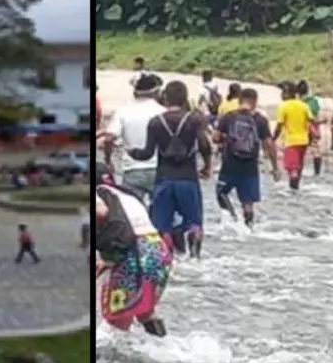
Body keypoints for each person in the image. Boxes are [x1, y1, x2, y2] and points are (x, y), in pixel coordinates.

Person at [126, 80, 212, 258]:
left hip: (163, 180)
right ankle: (195, 258)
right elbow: (204, 144)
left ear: (165, 98)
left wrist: (130, 151)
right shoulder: (194, 119)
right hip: (188, 179)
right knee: (194, 223)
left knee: (162, 226)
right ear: (185, 98)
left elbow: (147, 154)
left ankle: (166, 260)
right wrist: (207, 165)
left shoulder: (155, 122)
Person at [94, 164, 174, 337]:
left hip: (135, 255)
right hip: (158, 250)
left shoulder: (98, 192)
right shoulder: (125, 194)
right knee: (145, 312)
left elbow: (101, 212)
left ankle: (109, 359)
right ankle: (164, 348)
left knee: (116, 321)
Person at [213, 88, 278, 226]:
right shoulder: (260, 120)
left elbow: (215, 138)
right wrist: (275, 167)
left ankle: (233, 219)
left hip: (229, 165)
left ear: (239, 100)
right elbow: (269, 144)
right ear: (255, 101)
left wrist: (225, 139)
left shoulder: (229, 116)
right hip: (250, 167)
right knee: (248, 202)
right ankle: (248, 228)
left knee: (221, 193)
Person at [102, 73, 165, 201]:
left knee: (132, 213)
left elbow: (109, 138)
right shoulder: (162, 112)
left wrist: (108, 160)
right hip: (160, 169)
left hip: (132, 169)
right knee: (162, 214)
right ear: (156, 91)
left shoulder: (123, 111)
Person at [274, 83, 314, 191]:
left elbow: (279, 125)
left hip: (291, 141)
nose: (281, 95)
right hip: (304, 141)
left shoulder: (283, 106)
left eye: (283, 92)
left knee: (292, 169)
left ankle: (293, 192)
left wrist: (273, 138)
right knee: (298, 167)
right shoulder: (304, 105)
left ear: (287, 93)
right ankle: (297, 188)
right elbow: (311, 121)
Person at [295, 80, 325, 177]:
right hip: (314, 127)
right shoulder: (314, 101)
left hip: (301, 128)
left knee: (299, 149)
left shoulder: (298, 102)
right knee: (315, 149)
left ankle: (298, 171)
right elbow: (316, 114)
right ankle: (317, 173)